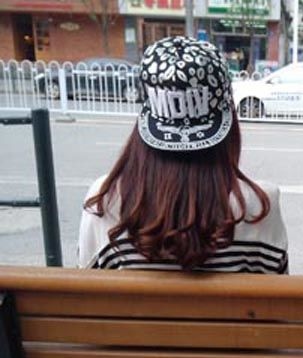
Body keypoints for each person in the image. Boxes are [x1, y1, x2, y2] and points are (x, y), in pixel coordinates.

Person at [78, 36, 288, 273]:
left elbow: (85, 289)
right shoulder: (260, 206)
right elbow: (277, 292)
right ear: (228, 121)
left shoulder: (104, 200)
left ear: (147, 120)